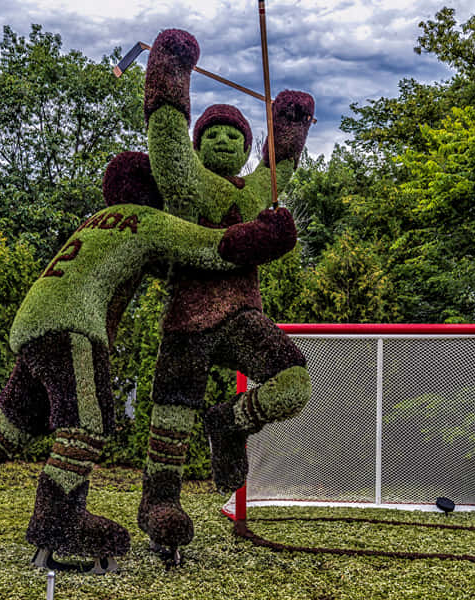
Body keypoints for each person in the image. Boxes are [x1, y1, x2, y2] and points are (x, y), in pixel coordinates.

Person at [0, 150, 297, 573]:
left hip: (34, 322)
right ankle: (59, 520)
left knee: (14, 424)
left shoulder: (95, 222)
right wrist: (269, 234)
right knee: (90, 420)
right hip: (73, 325)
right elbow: (213, 247)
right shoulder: (145, 219)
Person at [137, 28, 315, 562]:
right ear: (199, 143)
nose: (223, 141)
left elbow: (280, 167)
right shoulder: (186, 181)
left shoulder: (257, 191)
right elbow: (166, 140)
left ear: (246, 148)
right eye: (212, 133)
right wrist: (169, 70)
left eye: (234, 136)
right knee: (170, 420)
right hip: (186, 321)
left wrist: (289, 125)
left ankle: (228, 422)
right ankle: (158, 506)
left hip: (242, 316)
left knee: (293, 382)